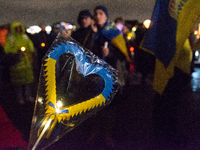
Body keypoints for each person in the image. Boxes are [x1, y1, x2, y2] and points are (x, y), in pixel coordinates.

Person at [86, 5, 130, 149]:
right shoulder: (91, 32)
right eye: (96, 13)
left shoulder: (114, 33)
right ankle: (95, 130)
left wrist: (109, 52)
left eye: (101, 13)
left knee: (109, 106)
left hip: (110, 75)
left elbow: (122, 55)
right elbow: (84, 50)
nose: (98, 16)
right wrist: (92, 34)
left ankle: (107, 133)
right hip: (94, 75)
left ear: (106, 16)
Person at [4, 22, 35, 104]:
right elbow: (7, 49)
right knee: (18, 81)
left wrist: (31, 54)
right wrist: (16, 51)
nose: (18, 29)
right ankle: (20, 97)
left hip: (26, 61)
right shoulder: (11, 38)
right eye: (16, 28)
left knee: (27, 80)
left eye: (19, 28)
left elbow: (30, 45)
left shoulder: (25, 37)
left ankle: (28, 96)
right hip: (16, 62)